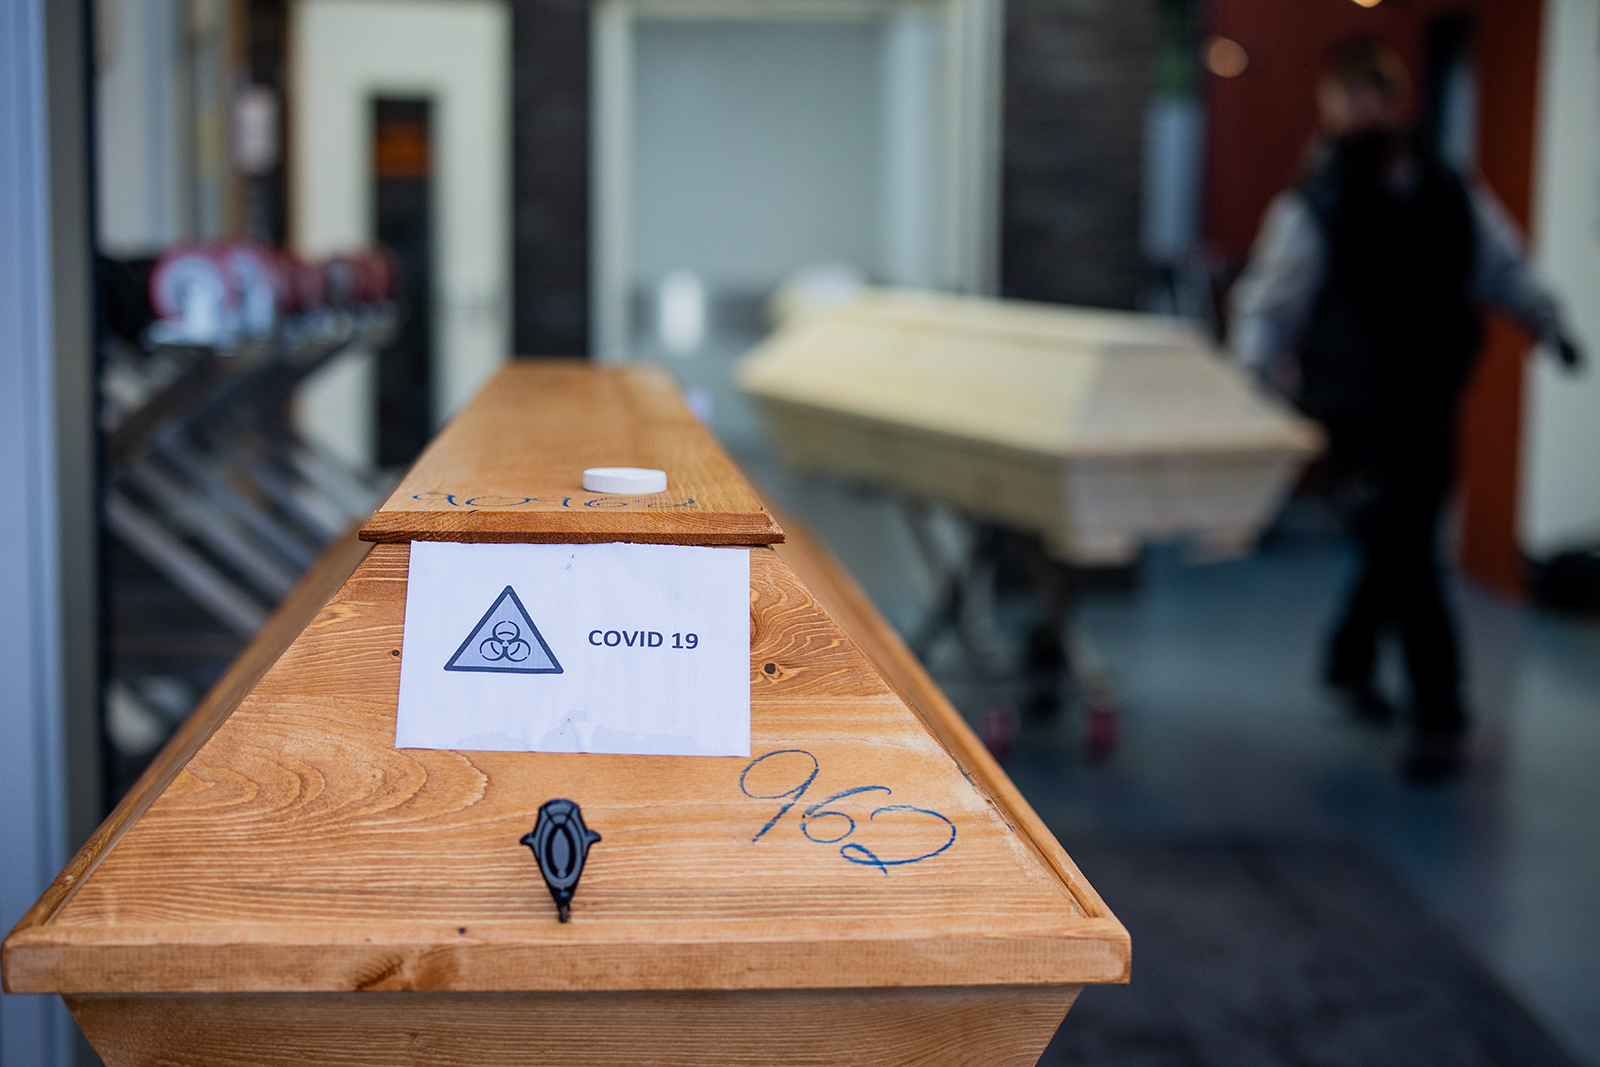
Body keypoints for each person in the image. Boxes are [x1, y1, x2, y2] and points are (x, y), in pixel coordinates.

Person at [1229, 39, 1585, 783]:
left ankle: (1348, 660)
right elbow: (1270, 303)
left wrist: (1550, 325)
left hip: (1430, 400)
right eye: (1347, 97)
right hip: (1357, 410)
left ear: (1399, 103)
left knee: (1404, 539)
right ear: (1328, 108)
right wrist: (1251, 386)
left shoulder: (1448, 191)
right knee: (1411, 553)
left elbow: (1500, 264)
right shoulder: (1314, 204)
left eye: (1374, 96)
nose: (1363, 110)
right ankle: (1439, 715)